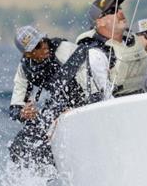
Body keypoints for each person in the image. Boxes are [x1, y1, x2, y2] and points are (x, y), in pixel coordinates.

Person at [8, 25, 89, 166]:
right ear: (27, 54)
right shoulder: (25, 68)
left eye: (44, 40)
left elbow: (92, 77)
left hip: (86, 100)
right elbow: (15, 107)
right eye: (37, 46)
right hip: (60, 104)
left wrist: (80, 108)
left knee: (53, 115)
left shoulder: (63, 49)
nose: (44, 46)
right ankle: (42, 177)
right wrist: (23, 113)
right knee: (18, 147)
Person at [75, 0, 147, 99]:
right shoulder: (95, 54)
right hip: (115, 108)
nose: (121, 13)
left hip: (137, 103)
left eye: (120, 8)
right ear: (100, 22)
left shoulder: (131, 44)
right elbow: (105, 96)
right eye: (113, 10)